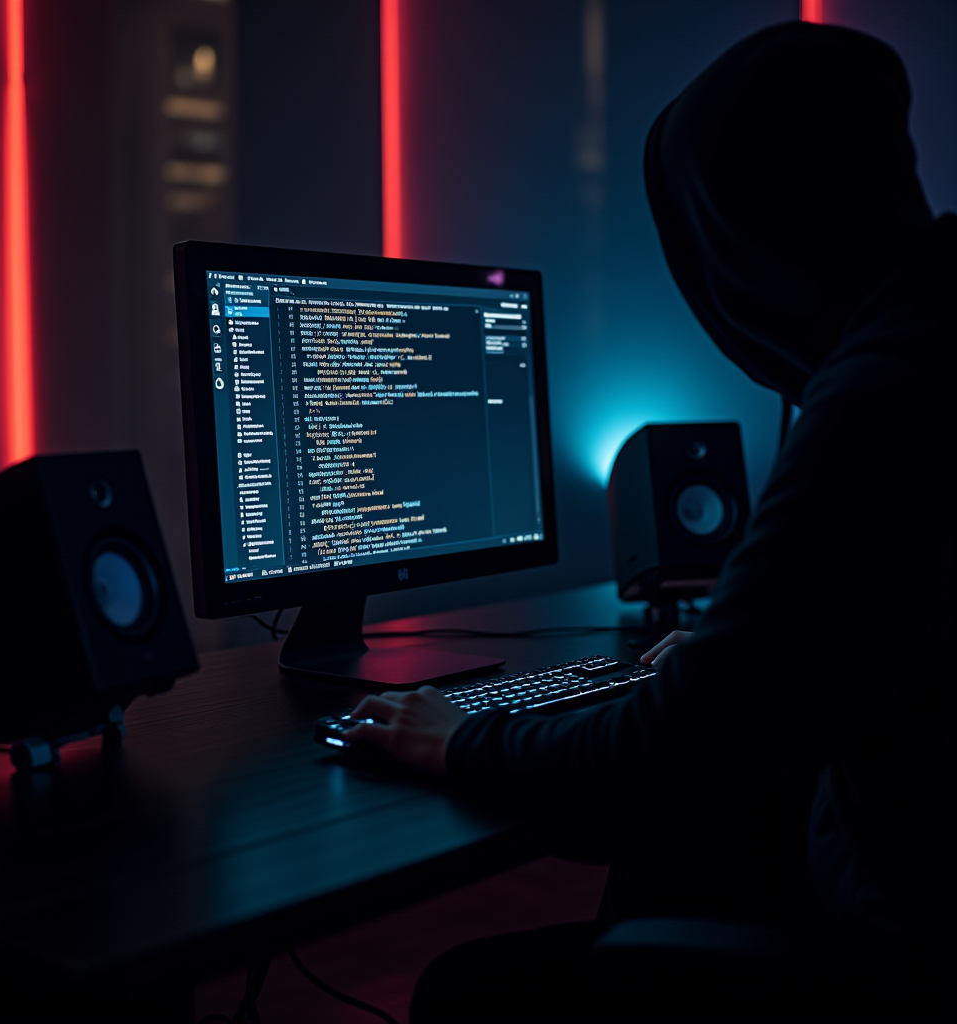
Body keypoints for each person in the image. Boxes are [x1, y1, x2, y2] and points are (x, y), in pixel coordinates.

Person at [346, 21, 954, 1021]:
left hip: (897, 944)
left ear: (742, 244)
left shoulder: (878, 399)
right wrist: (732, 665)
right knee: (691, 847)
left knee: (468, 988)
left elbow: (652, 767)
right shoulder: (928, 330)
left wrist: (457, 737)